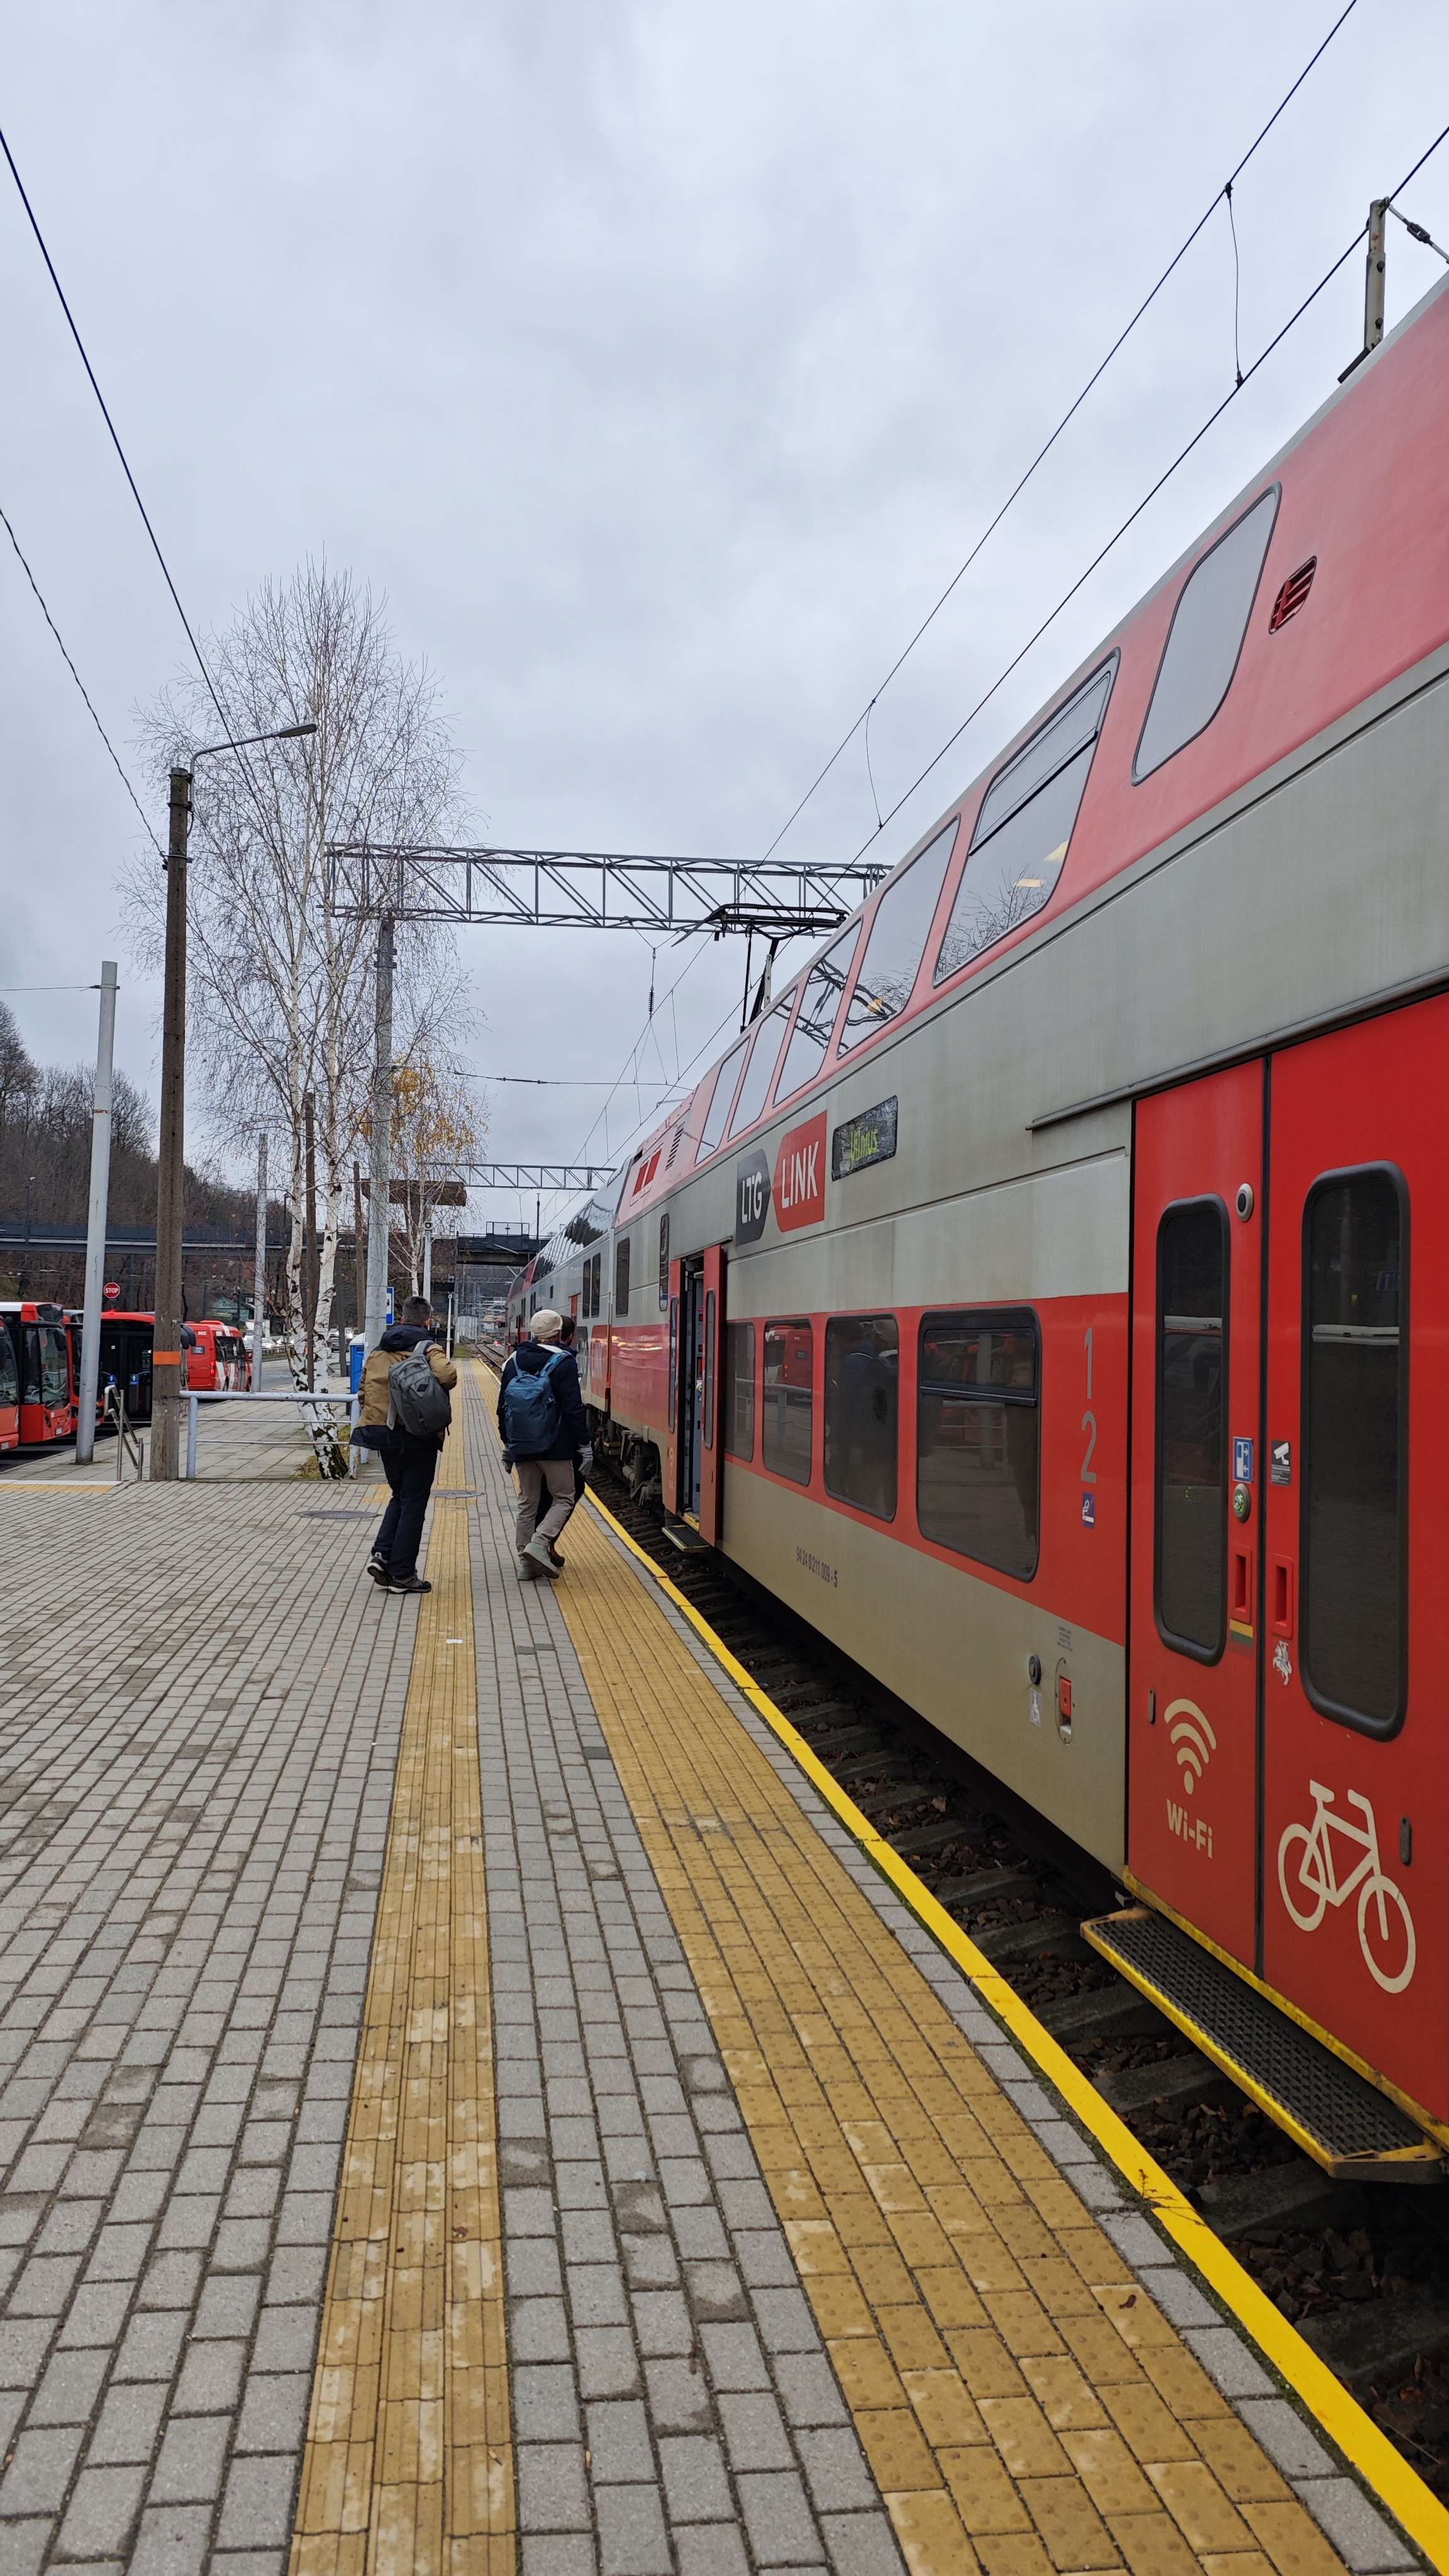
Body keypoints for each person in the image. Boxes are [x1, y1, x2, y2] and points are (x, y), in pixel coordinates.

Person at [355, 1295, 459, 1595]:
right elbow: (448, 1376)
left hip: (383, 1436)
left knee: (399, 1496)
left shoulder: (378, 1351)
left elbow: (363, 1393)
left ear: (401, 1319)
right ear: (427, 1322)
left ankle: (383, 1555)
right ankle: (402, 1575)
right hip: (418, 1436)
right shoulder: (428, 1347)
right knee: (414, 1503)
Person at [497, 1307, 590, 1579]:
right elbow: (573, 1408)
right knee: (564, 1497)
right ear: (559, 1333)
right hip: (556, 1446)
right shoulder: (564, 1362)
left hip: (522, 1445)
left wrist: (509, 1443)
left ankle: (526, 1565)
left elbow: (503, 1408)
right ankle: (539, 1543)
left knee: (528, 1503)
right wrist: (584, 1445)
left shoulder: (513, 1361)